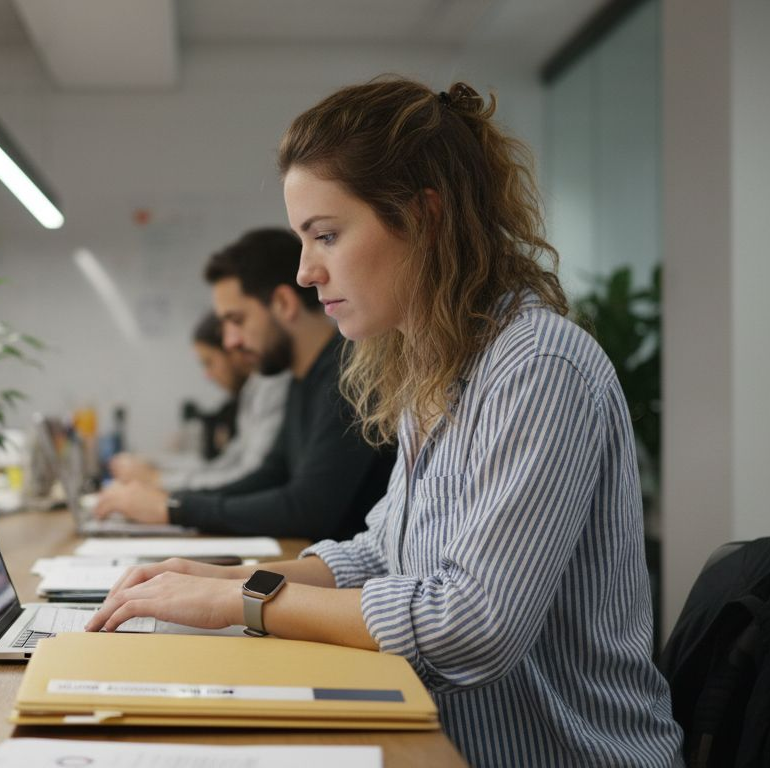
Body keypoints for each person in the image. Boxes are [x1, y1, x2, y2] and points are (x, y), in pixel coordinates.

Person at [87, 79, 683, 766]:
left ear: (424, 218)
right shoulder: (436, 365)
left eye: (327, 236)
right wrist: (226, 578)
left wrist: (245, 603)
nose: (308, 272)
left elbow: (471, 626)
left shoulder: (537, 369)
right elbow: (380, 553)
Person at [94, 228, 396, 541]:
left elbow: (308, 509)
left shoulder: (351, 372)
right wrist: (172, 501)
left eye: (237, 320)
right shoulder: (301, 375)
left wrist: (172, 509)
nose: (230, 341)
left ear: (283, 303)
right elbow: (268, 477)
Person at [109, 311, 288, 492]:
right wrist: (153, 465)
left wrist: (159, 482)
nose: (207, 375)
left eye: (209, 362)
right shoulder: (252, 390)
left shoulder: (270, 385)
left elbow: (250, 477)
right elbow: (221, 466)